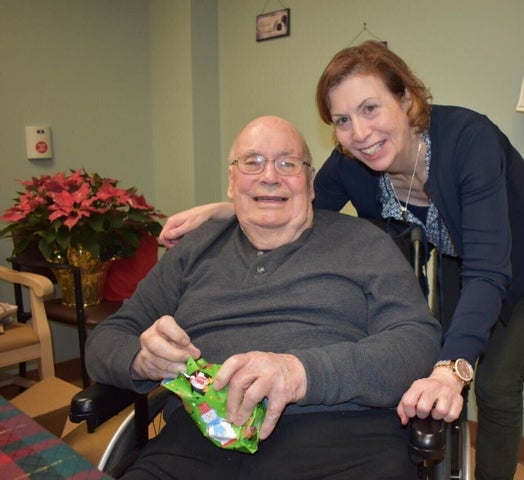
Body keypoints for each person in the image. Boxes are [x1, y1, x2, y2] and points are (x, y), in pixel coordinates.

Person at [159, 41, 524, 480]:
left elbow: (489, 271)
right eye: (342, 120)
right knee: (444, 361)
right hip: (459, 253)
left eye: (370, 108)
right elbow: (296, 201)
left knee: (493, 382)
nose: (359, 133)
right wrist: (223, 209)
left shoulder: (469, 140)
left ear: (407, 101)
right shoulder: (351, 165)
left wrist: (455, 369)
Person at [85, 115, 441, 480]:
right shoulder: (192, 251)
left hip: (343, 439)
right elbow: (105, 339)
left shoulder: (364, 243)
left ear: (311, 182)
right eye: (252, 162)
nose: (270, 176)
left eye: (288, 163)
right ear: (230, 181)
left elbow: (416, 341)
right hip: (198, 441)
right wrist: (142, 361)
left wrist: (301, 373)